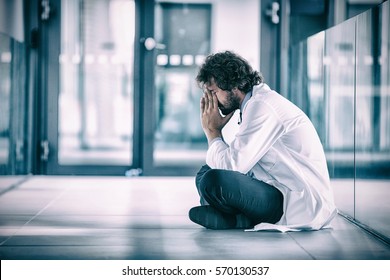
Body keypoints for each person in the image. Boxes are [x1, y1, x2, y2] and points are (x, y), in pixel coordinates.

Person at [189, 51, 337, 231]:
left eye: (213, 92)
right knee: (205, 172)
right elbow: (238, 163)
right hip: (273, 188)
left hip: (298, 202)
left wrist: (212, 131)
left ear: (232, 85)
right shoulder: (253, 104)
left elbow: (232, 166)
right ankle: (238, 219)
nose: (212, 101)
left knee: (213, 179)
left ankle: (238, 218)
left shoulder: (262, 106)